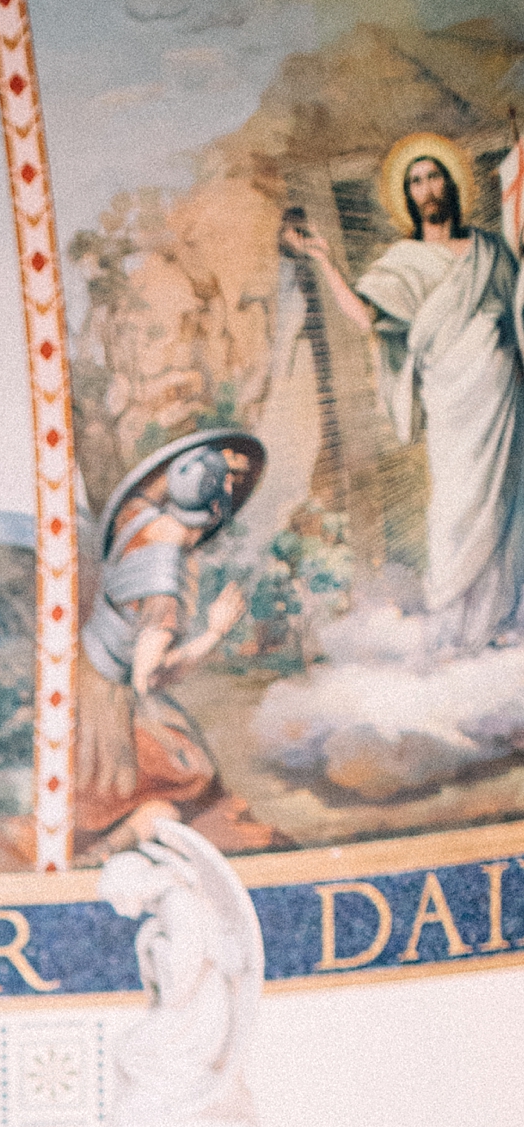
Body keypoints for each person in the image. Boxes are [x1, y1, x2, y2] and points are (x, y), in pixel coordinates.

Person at [281, 142, 524, 654]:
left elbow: (517, 309)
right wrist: (324, 260)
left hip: (502, 397)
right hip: (453, 403)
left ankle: (503, 618)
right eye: (415, 181)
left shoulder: (491, 251)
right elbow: (367, 316)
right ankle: (456, 623)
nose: (427, 188)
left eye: (434, 176)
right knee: (456, 505)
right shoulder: (403, 261)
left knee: (507, 505)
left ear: (452, 184)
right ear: (407, 196)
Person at [74, 429, 278, 856]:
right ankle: (110, 847)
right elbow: (149, 677)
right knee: (189, 784)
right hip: (112, 706)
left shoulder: (139, 518)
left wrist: (206, 465)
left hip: (87, 673)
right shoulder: (164, 582)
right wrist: (215, 632)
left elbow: (155, 486)